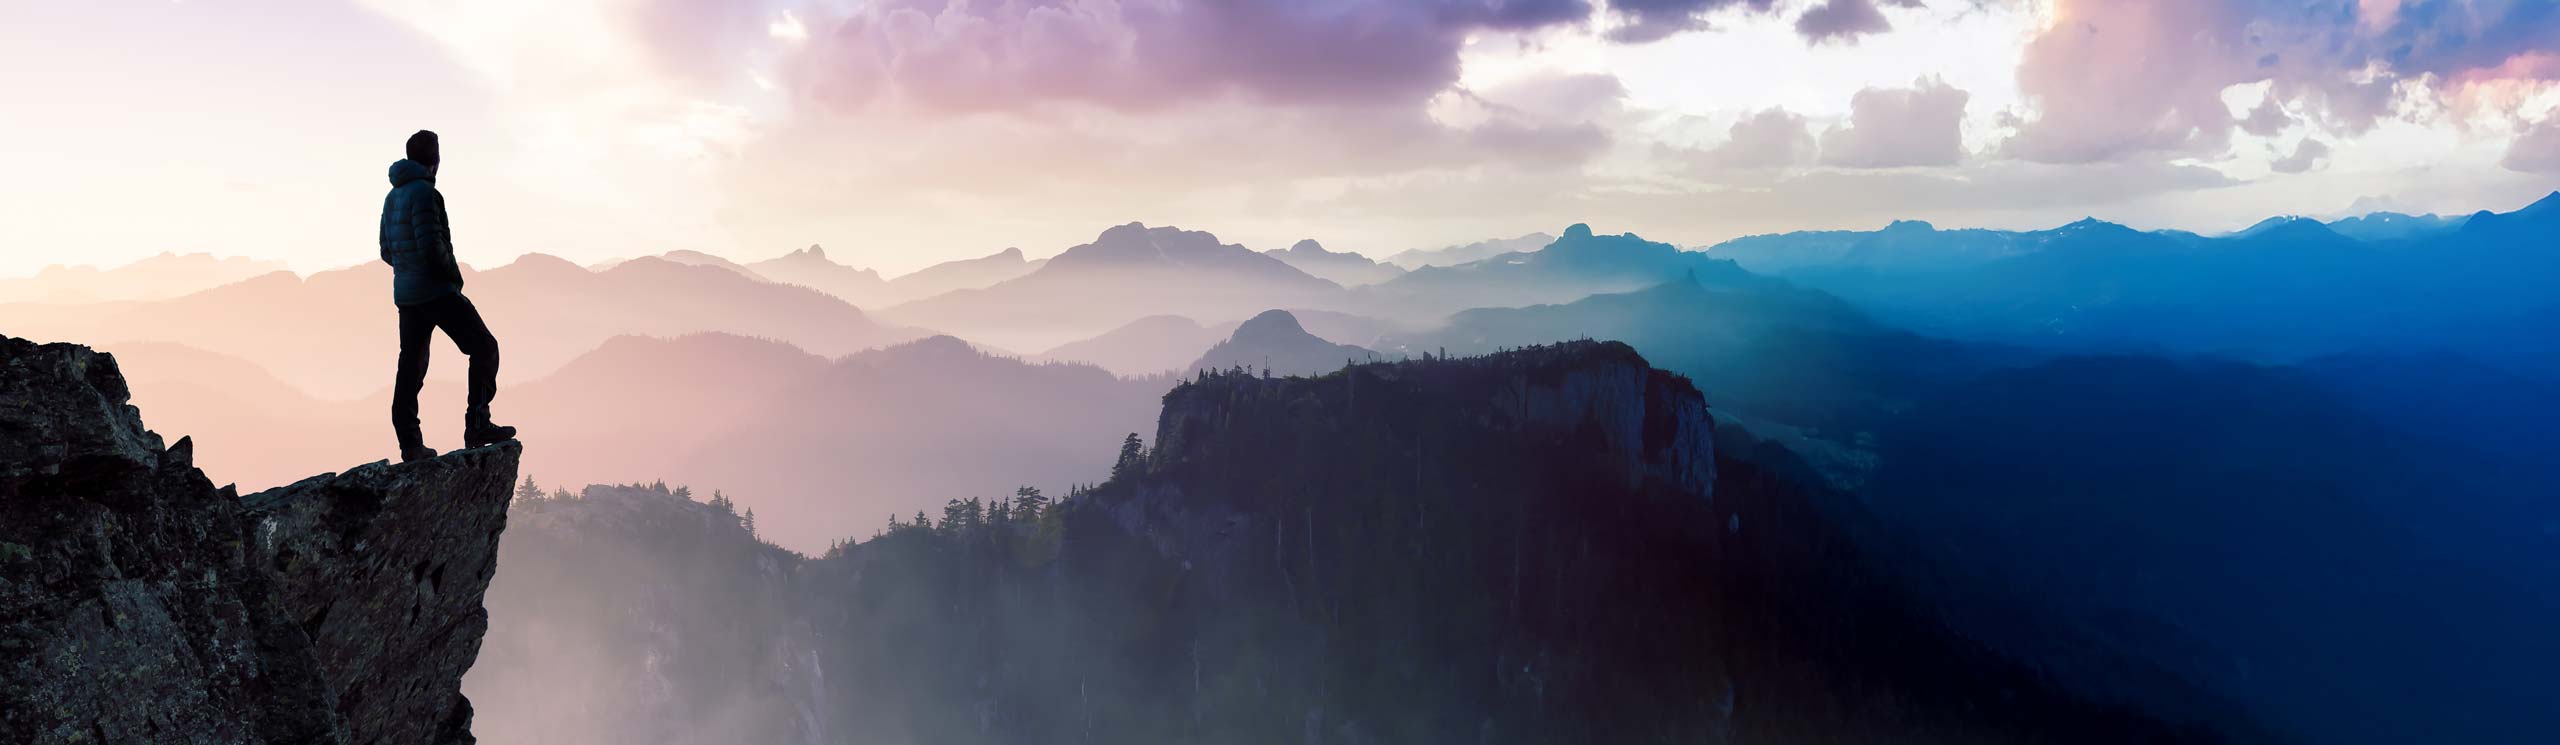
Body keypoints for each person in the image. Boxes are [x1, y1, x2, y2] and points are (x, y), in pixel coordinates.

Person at [381, 130, 514, 462]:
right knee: (484, 346)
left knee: (411, 366)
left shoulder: (392, 196)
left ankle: (410, 444)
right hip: (436, 291)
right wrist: (452, 277)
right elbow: (432, 247)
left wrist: (406, 271)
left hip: (407, 295)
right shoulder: (426, 194)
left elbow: (386, 251)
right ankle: (478, 425)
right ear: (434, 159)